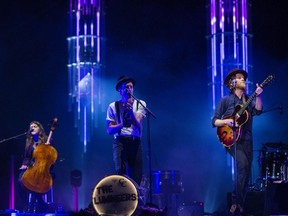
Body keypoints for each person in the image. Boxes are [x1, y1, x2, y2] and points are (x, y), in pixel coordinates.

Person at [212, 68, 263, 215]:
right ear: (232, 82)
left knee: (246, 173)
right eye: (240, 78)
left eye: (244, 79)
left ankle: (240, 205)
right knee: (243, 165)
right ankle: (236, 202)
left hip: (247, 140)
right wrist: (227, 120)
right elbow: (214, 121)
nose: (243, 80)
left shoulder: (249, 99)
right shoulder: (225, 100)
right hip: (231, 139)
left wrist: (259, 96)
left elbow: (258, 110)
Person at [106, 75, 146, 185]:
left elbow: (137, 123)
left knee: (136, 174)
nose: (129, 89)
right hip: (120, 141)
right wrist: (122, 125)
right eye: (126, 87)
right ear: (120, 90)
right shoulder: (113, 106)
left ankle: (137, 199)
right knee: (120, 172)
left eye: (131, 87)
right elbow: (109, 130)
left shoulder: (140, 103)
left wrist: (130, 112)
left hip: (134, 141)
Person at [18, 121, 50, 213]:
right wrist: (24, 164)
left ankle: (33, 205)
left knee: (32, 183)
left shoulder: (47, 139)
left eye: (35, 126)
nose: (32, 128)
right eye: (31, 127)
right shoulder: (29, 142)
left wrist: (47, 147)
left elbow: (50, 155)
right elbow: (27, 156)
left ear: (40, 129)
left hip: (43, 168)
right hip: (31, 166)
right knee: (20, 180)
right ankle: (38, 203)